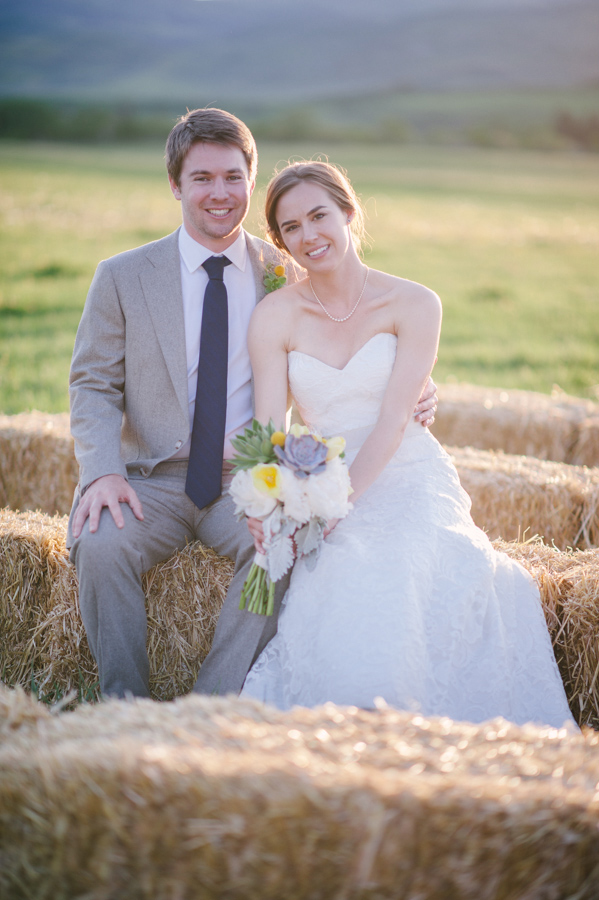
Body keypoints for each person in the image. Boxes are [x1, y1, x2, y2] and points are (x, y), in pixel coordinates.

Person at [67, 108, 438, 700]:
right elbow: (91, 384)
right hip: (151, 478)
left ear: (250, 178)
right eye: (202, 178)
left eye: (233, 178)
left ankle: (212, 706)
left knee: (282, 552)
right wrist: (104, 471)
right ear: (175, 184)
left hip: (245, 475)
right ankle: (122, 704)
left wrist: (413, 386)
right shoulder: (123, 276)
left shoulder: (286, 269)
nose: (220, 193)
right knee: (100, 544)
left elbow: (348, 334)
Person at [240, 160, 576, 730]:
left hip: (407, 468)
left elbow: (396, 416)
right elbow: (268, 429)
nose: (308, 235)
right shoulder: (274, 316)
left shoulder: (415, 303)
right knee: (343, 563)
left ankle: (408, 722)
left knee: (413, 555)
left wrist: (341, 502)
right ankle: (353, 721)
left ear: (350, 213)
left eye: (320, 215)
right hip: (321, 471)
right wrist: (271, 498)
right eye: (291, 227)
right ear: (280, 240)